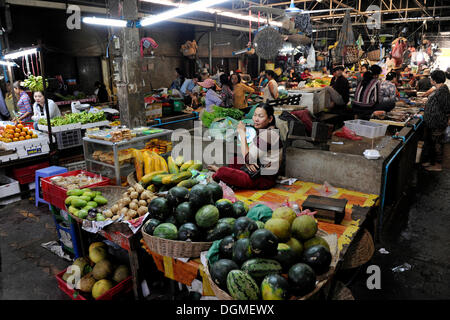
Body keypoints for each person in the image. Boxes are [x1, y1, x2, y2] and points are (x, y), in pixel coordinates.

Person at [208, 103, 282, 190]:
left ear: (270, 119)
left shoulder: (268, 134)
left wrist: (242, 133)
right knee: (235, 160)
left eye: (260, 116)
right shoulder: (266, 130)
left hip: (262, 179)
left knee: (222, 172)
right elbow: (250, 156)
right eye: (255, 115)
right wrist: (249, 161)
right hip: (256, 169)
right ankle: (229, 177)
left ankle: (218, 173)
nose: (256, 119)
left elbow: (248, 158)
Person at [421, 70, 450, 172]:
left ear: (434, 80)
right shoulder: (439, 89)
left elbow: (447, 108)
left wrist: (447, 120)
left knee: (437, 144)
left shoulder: (443, 91)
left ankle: (438, 165)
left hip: (438, 123)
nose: (430, 79)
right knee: (431, 143)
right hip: (432, 123)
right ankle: (431, 161)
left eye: (431, 78)